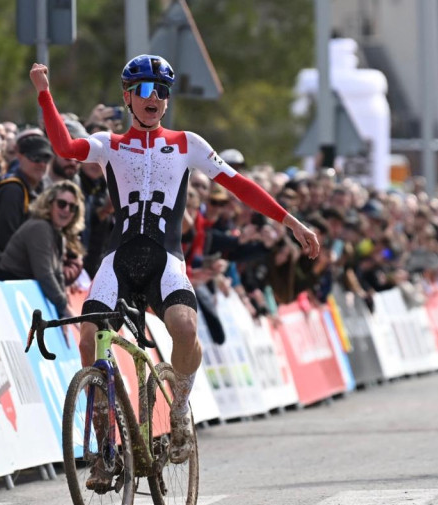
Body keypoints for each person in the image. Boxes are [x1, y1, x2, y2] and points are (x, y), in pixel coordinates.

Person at [30, 54, 320, 466]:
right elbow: (63, 147)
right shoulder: (109, 145)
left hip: (164, 259)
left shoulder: (187, 144)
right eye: (145, 90)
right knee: (89, 340)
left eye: (162, 91)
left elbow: (241, 187)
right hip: (118, 258)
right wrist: (45, 95)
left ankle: (180, 408)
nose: (155, 98)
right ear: (127, 97)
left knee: (184, 328)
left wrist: (292, 222)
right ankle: (104, 451)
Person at [0, 179, 85, 318]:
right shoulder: (40, 227)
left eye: (72, 207)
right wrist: (66, 310)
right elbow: (45, 274)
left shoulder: (59, 235)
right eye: (62, 204)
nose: (66, 210)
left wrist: (63, 316)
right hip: (8, 295)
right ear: (49, 203)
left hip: (24, 294)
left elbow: (58, 276)